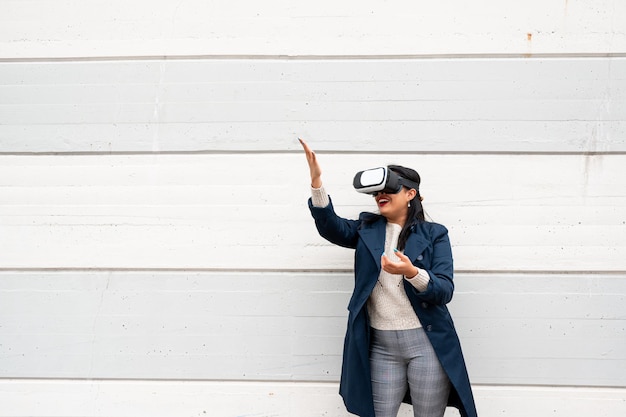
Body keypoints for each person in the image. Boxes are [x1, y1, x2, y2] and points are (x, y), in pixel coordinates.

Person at [299, 138, 478, 417]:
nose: (380, 195)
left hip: (427, 344)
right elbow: (330, 227)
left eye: (390, 189)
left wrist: (412, 273)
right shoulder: (365, 228)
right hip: (381, 346)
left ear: (410, 194)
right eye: (376, 193)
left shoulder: (435, 234)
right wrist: (317, 182)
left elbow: (444, 290)